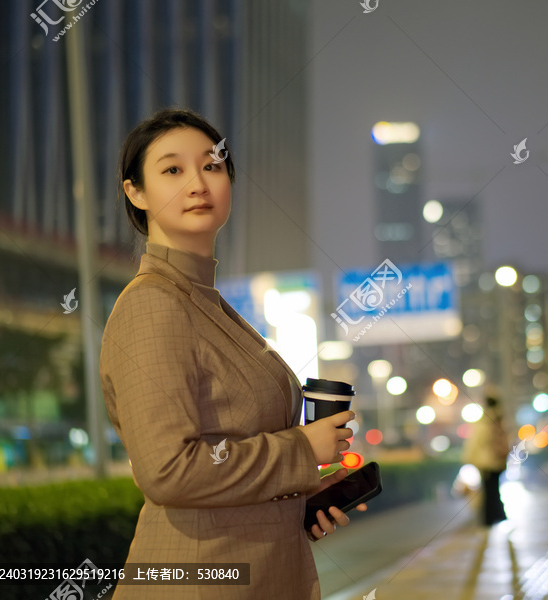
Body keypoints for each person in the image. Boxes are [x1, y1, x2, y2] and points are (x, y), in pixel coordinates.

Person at [100, 108, 366, 599]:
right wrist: (302, 449)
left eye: (213, 166)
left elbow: (227, 460)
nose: (197, 183)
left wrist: (300, 495)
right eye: (172, 170)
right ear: (135, 192)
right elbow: (169, 472)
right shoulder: (152, 304)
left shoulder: (206, 303)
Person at [461, 396, 510, 525]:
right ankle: (499, 515)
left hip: (487, 462)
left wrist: (468, 459)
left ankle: (490, 518)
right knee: (494, 488)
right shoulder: (500, 420)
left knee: (489, 491)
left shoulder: (484, 422)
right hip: (499, 461)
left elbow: (475, 443)